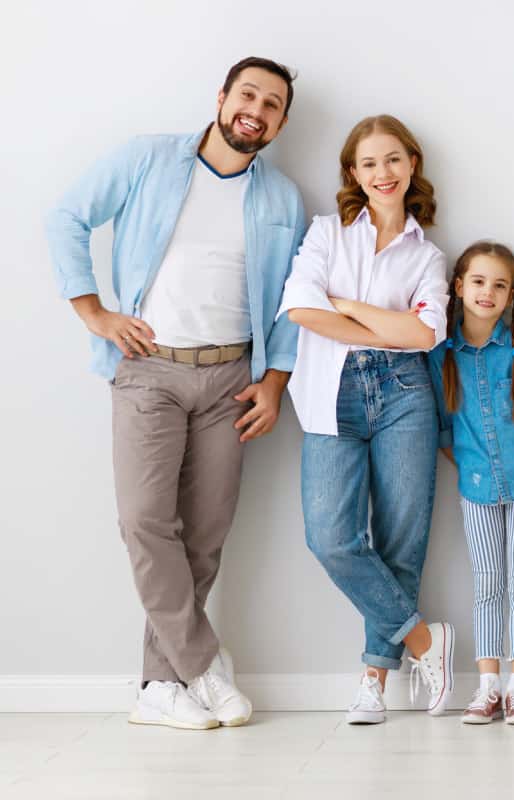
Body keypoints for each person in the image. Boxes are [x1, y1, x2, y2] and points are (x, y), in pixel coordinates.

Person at [45, 57, 306, 729]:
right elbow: (67, 216)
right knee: (144, 521)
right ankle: (203, 667)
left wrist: (275, 385)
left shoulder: (282, 197)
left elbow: (289, 304)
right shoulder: (148, 159)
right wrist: (94, 312)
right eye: (247, 93)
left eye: (272, 104)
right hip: (147, 369)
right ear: (222, 98)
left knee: (206, 536)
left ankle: (158, 688)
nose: (257, 108)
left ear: (279, 124)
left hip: (231, 380)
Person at [278, 115, 453, 725]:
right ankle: (424, 640)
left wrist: (347, 306)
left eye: (394, 160)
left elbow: (427, 333)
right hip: (330, 391)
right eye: (370, 163)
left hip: (406, 393)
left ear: (412, 165)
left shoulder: (428, 253)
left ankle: (374, 679)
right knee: (330, 537)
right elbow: (302, 308)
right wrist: (383, 322)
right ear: (353, 172)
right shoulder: (327, 233)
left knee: (402, 541)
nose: (383, 173)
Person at [429, 242, 514, 725]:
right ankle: (487, 687)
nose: (488, 292)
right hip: (475, 489)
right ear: (459, 287)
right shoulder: (442, 354)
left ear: (511, 295)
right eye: (478, 282)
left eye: (499, 285)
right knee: (486, 585)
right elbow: (443, 427)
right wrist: (473, 468)